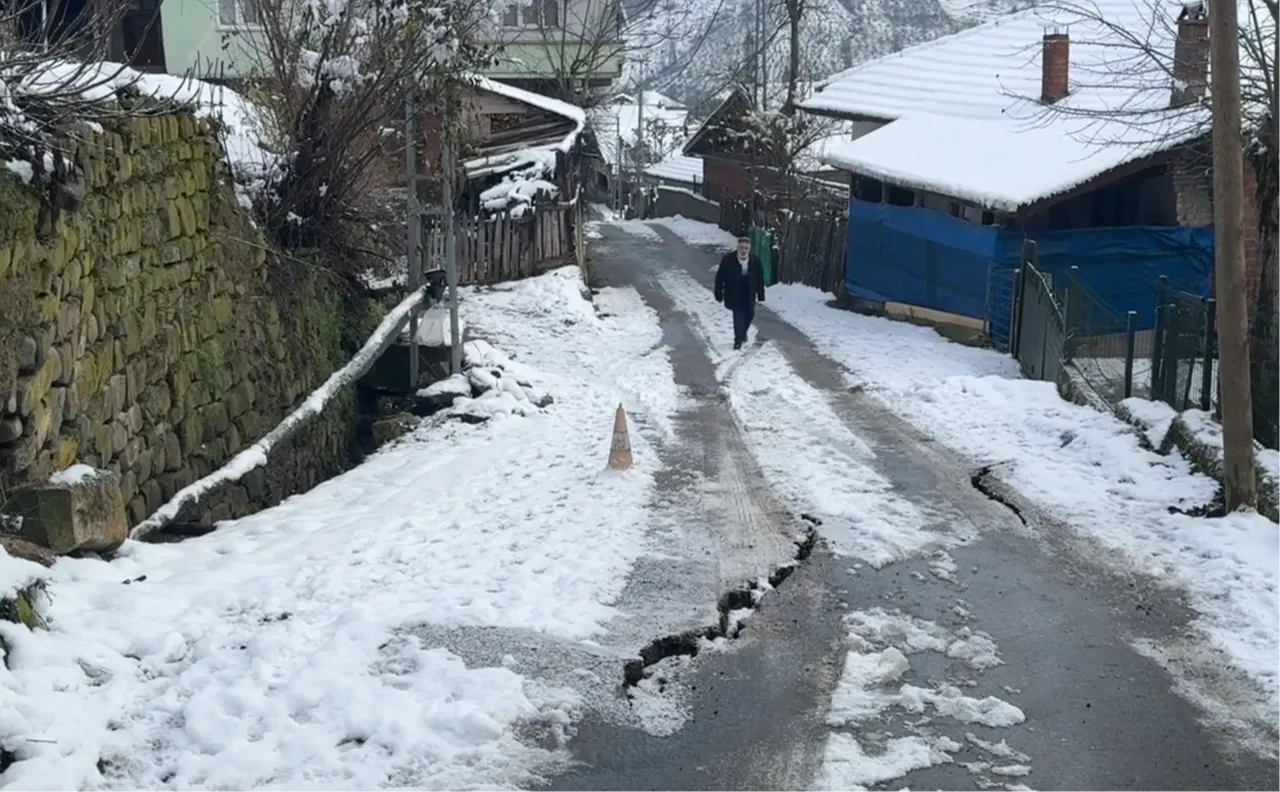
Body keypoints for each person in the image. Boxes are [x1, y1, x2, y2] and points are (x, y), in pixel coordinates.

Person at [714, 236, 766, 350]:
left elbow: (760, 278)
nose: (743, 251)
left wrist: (761, 294)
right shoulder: (728, 260)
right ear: (737, 248)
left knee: (750, 314)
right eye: (741, 248)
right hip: (733, 291)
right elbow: (720, 277)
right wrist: (718, 293)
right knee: (738, 315)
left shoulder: (755, 261)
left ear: (749, 249)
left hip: (749, 292)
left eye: (746, 248)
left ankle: (742, 334)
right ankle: (738, 340)